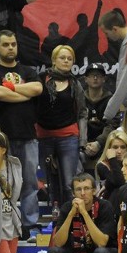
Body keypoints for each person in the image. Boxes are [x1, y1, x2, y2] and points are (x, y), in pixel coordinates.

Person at [0, 30, 42, 242]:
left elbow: (37, 88)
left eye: (13, 44)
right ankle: (4, 228)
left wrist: (11, 87)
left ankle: (30, 226)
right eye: (6, 44)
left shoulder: (28, 70)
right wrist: (22, 94)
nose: (10, 48)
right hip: (0, 140)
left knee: (29, 183)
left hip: (28, 135)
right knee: (1, 185)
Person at [36, 45, 87, 205]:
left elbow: (82, 112)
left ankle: (70, 217)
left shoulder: (75, 84)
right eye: (62, 57)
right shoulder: (41, 79)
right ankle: (56, 216)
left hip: (68, 138)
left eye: (69, 58)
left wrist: (82, 141)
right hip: (44, 137)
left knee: (68, 183)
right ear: (54, 60)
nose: (66, 61)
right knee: (49, 183)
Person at [83, 62, 120, 162]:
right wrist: (83, 144)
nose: (95, 78)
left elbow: (113, 125)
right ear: (85, 79)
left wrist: (98, 143)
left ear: (104, 79)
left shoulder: (111, 100)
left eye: (98, 75)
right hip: (83, 145)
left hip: (105, 144)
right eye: (92, 75)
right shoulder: (79, 99)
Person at [96, 130, 127, 206]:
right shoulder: (102, 165)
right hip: (109, 203)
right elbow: (119, 183)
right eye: (115, 147)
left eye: (123, 147)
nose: (119, 151)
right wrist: (112, 159)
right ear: (108, 149)